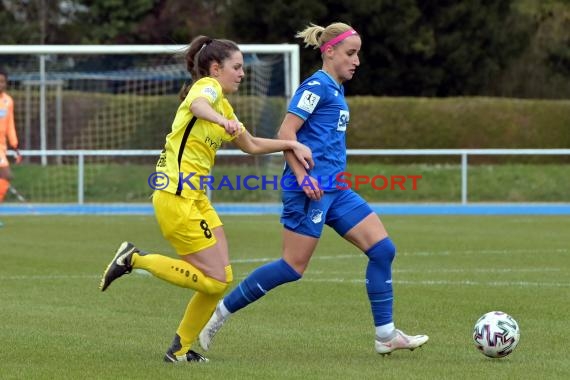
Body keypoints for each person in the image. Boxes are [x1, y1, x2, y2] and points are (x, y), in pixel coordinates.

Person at [199, 22, 429, 356]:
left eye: (358, 53)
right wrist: (304, 178)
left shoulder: (336, 89)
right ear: (330, 51)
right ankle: (220, 313)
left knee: (382, 250)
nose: (357, 61)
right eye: (351, 53)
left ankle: (385, 335)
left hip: (335, 189)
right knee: (292, 267)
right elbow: (286, 132)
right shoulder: (316, 86)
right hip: (309, 191)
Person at [99, 35, 313, 363]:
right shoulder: (208, 89)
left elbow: (251, 145)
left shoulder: (224, 104)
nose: (242, 73)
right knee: (214, 281)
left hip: (195, 198)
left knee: (220, 279)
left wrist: (291, 145)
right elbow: (199, 105)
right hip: (176, 195)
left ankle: (179, 351)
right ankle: (135, 259)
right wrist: (218, 119)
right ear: (216, 68)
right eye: (237, 67)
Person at [0, 68, 22, 227]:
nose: (0, 84)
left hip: (2, 146)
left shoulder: (8, 101)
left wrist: (14, 145)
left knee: (5, 177)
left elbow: (10, 125)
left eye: (2, 81)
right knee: (6, 174)